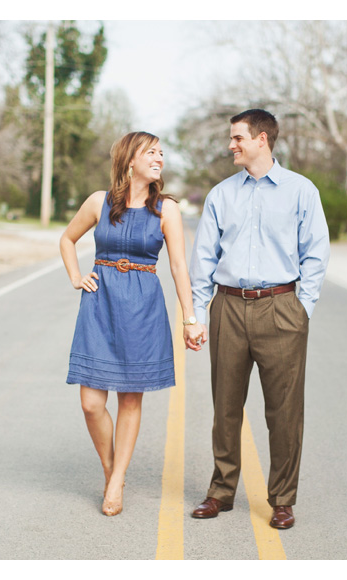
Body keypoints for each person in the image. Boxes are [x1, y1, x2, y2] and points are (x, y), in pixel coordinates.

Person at [185, 109, 330, 529]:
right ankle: (221, 491)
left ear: (261, 139)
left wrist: (303, 308)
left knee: (284, 411)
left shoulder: (301, 191)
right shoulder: (221, 195)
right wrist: (196, 313)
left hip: (281, 307)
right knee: (225, 406)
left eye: (238, 138)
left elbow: (316, 254)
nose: (231, 145)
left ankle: (282, 499)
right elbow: (204, 260)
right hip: (228, 306)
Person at [61, 131, 200, 517]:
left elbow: (178, 267)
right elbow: (67, 240)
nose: (159, 158)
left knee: (129, 398)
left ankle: (117, 480)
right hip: (100, 302)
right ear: (129, 159)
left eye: (161, 152)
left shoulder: (166, 209)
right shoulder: (97, 202)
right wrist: (76, 276)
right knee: (91, 403)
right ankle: (111, 469)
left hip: (142, 306)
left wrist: (190, 319)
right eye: (151, 152)